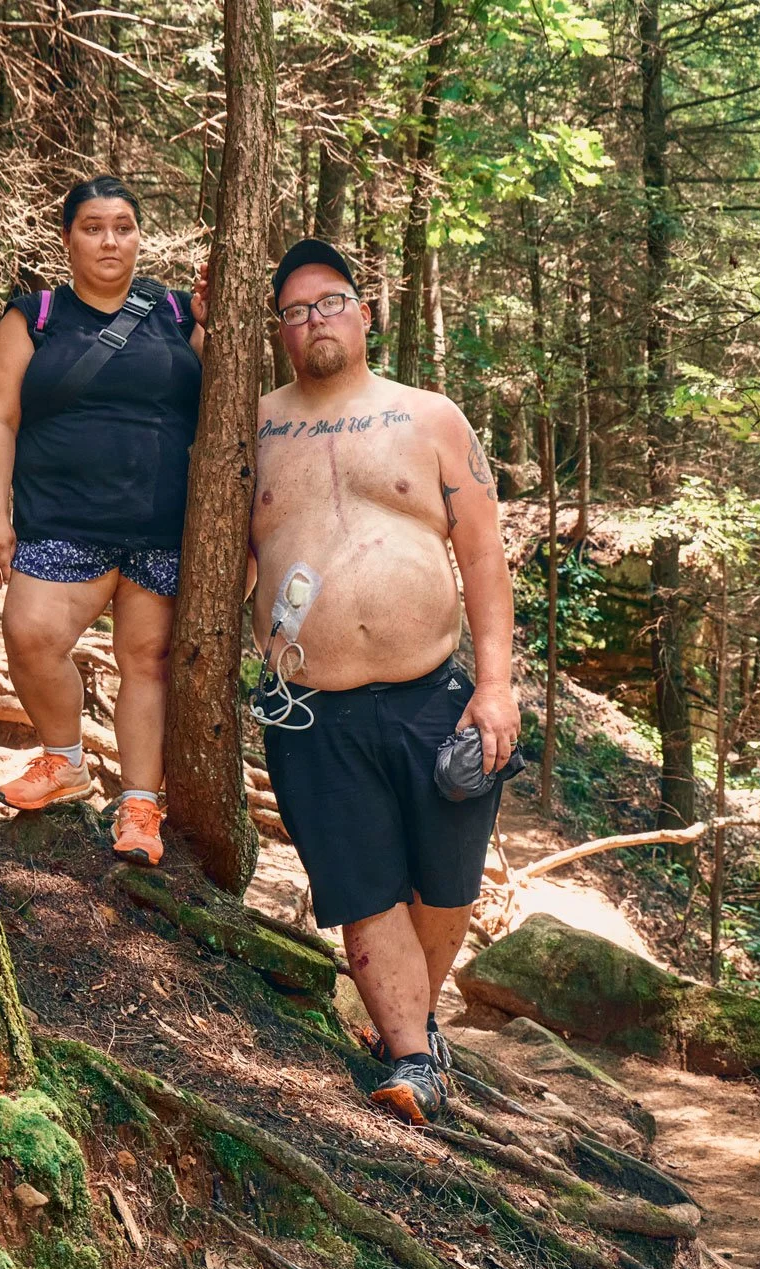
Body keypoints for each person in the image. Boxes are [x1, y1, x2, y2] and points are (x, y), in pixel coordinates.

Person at [242, 238, 518, 1124]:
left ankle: (415, 1028)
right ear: (280, 329)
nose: (313, 319)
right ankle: (409, 1058)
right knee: (365, 888)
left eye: (329, 303)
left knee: (445, 885)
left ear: (366, 313)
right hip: (308, 705)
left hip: (432, 692)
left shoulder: (430, 416)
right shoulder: (250, 427)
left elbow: (482, 553)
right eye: (295, 310)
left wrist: (497, 684)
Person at [0, 176, 205, 865]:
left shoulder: (176, 312)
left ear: (140, 237)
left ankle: (139, 807)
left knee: (148, 663)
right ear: (68, 238)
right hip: (62, 521)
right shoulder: (34, 318)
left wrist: (215, 318)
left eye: (124, 226)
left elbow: (230, 401)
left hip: (162, 525)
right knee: (30, 632)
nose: (111, 240)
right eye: (94, 227)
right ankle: (65, 761)